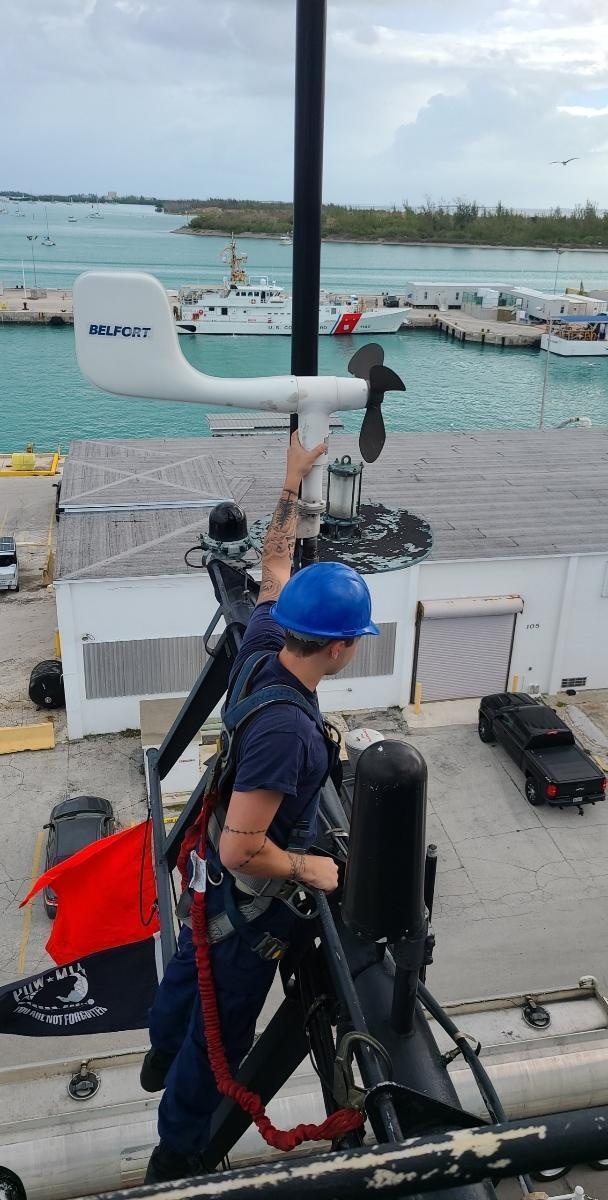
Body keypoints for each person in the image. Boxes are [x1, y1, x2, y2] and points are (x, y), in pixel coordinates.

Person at [144, 433, 380, 1183]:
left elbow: (274, 567)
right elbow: (248, 848)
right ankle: (177, 1152)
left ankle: (156, 1052)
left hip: (215, 889)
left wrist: (289, 487)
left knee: (188, 978)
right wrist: (311, 866)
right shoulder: (287, 734)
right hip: (248, 904)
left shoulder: (266, 642)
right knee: (220, 1040)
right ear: (341, 649)